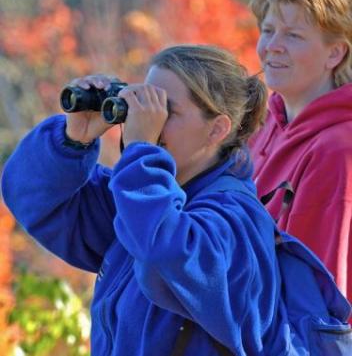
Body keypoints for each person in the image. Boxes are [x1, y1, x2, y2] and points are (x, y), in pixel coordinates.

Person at [2, 44, 300, 355]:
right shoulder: (137, 201)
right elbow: (29, 194)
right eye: (145, 105)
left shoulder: (236, 223)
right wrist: (72, 139)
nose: (148, 121)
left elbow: (165, 252)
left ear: (217, 129)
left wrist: (142, 149)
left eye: (165, 111)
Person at [249, 0, 352, 306]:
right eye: (268, 30)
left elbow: (318, 302)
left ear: (335, 53)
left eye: (293, 35)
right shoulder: (261, 128)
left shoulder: (338, 150)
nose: (273, 46)